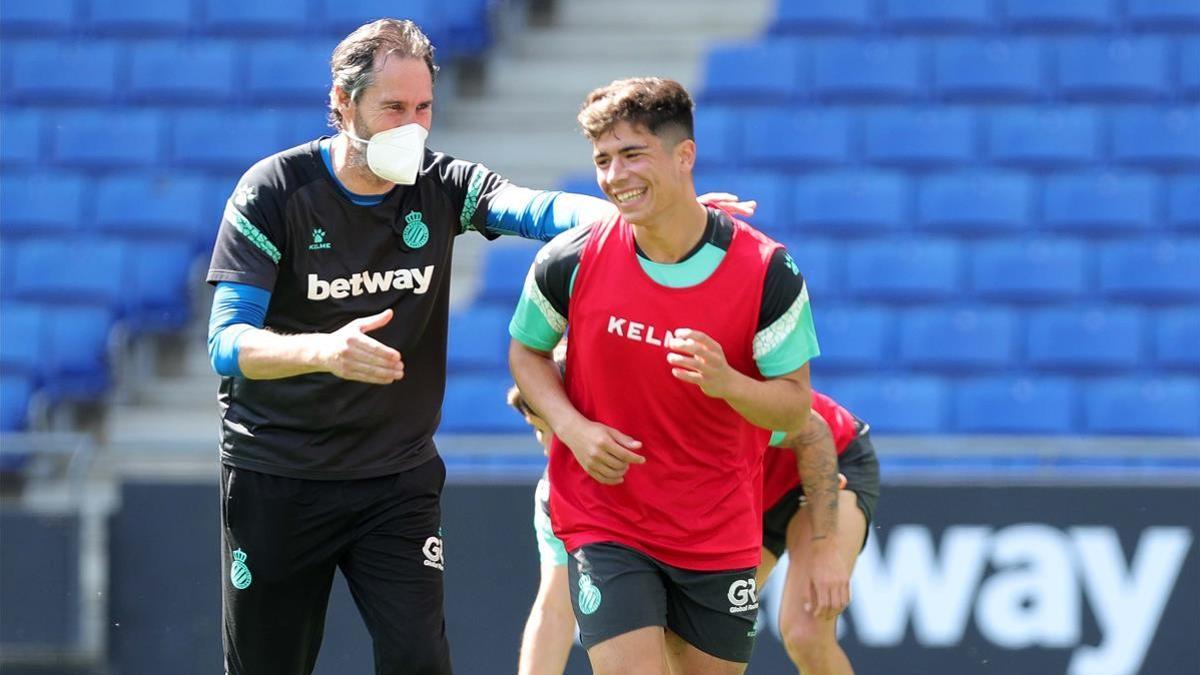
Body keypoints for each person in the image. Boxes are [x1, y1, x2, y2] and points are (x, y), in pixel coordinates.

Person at [205, 19, 752, 675]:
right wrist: (323, 351)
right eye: (394, 109)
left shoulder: (440, 184)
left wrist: (647, 214)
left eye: (424, 108)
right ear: (343, 104)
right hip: (278, 475)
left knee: (420, 660)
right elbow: (225, 340)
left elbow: (533, 210)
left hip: (393, 481)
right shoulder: (274, 192)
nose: (413, 126)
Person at [508, 77, 820, 674]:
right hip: (606, 519)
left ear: (685, 156)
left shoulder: (767, 271)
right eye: (602, 160)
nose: (614, 175)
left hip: (717, 528)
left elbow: (794, 409)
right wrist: (573, 428)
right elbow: (527, 354)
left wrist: (728, 382)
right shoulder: (568, 260)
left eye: (632, 154)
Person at [507, 377, 879, 675]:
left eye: (547, 433)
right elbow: (554, 611)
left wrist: (825, 544)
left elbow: (812, 432)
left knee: (805, 632)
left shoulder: (661, 406)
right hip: (746, 500)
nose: (548, 450)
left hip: (824, 463)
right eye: (542, 432)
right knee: (678, 646)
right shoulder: (559, 492)